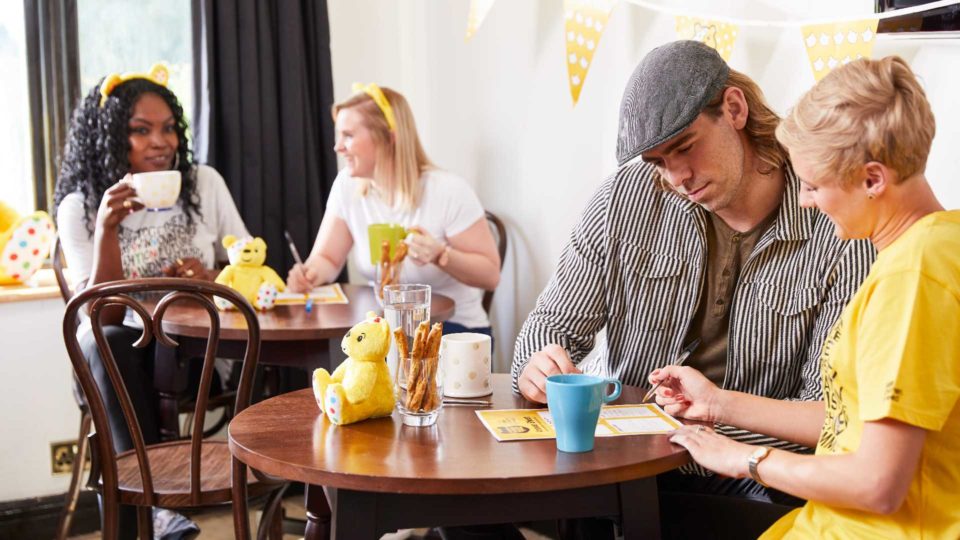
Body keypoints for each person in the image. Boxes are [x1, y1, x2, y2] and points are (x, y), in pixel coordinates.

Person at [511, 40, 875, 536]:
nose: (677, 176)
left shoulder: (833, 220)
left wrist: (721, 430)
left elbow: (829, 415)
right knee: (459, 510)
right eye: (658, 162)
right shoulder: (626, 197)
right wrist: (537, 365)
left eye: (685, 148)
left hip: (749, 471)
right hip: (620, 456)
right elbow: (550, 325)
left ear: (734, 109)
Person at [655, 56, 959, 538]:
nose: (804, 201)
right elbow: (849, 421)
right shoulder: (938, 246)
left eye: (815, 186)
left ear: (873, 179)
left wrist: (745, 459)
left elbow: (878, 482)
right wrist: (718, 404)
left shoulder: (914, 276)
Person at [54, 64, 249, 539]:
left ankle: (144, 508)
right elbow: (104, 315)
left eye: (167, 129)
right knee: (105, 341)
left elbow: (249, 263)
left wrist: (213, 276)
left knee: (114, 348)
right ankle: (155, 502)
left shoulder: (203, 184)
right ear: (108, 139)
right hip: (121, 357)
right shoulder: (80, 206)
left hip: (195, 353)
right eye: (140, 131)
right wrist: (107, 231)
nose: (159, 142)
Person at [285, 83, 500, 337]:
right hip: (387, 329)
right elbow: (328, 259)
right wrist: (308, 275)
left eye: (349, 136)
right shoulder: (347, 186)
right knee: (347, 362)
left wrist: (442, 255)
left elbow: (490, 275)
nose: (338, 147)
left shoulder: (447, 191)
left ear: (389, 137)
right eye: (338, 136)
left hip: (453, 330)